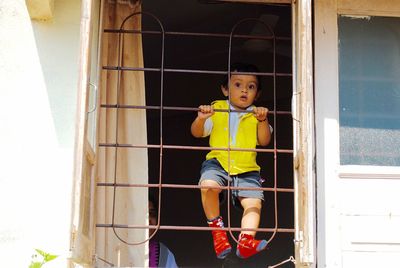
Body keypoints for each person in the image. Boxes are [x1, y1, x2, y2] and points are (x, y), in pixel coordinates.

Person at [190, 62, 272, 259]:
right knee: (208, 185)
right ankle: (218, 233)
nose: (244, 89)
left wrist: (262, 120)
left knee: (254, 202)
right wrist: (201, 119)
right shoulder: (216, 108)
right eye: (237, 84)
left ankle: (246, 241)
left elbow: (265, 140)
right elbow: (196, 133)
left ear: (257, 94)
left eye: (251, 86)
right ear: (225, 89)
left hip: (247, 167)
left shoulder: (256, 114)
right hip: (218, 161)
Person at [149, 194, 178, 268]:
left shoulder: (163, 254)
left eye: (152, 214)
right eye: (142, 214)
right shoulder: (119, 250)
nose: (148, 219)